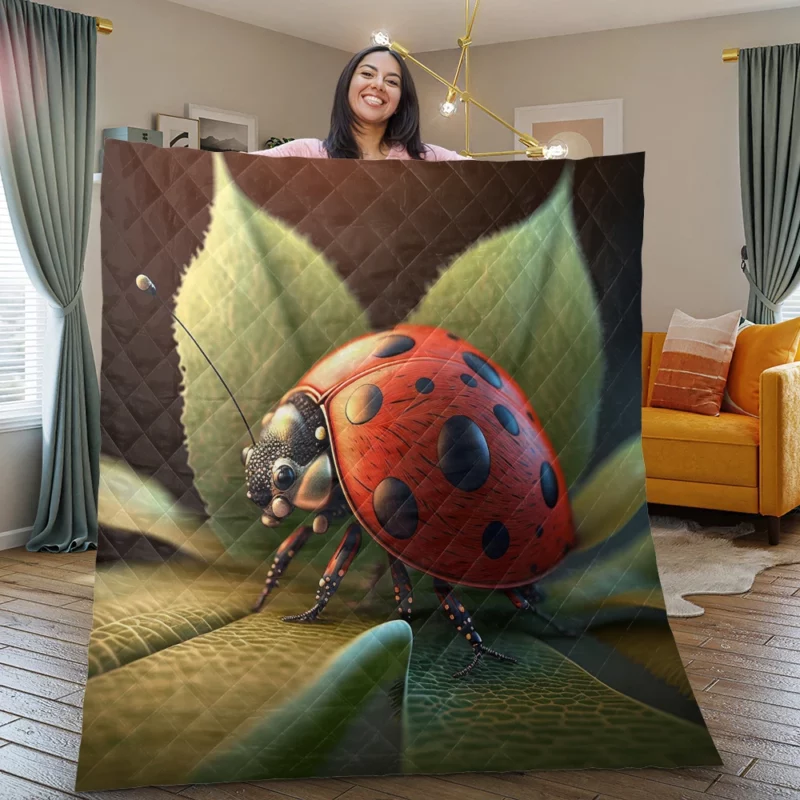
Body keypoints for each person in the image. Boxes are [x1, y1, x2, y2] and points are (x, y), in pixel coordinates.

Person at [253, 45, 468, 161]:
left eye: (392, 81)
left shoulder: (429, 158)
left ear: (401, 102)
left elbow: (494, 181)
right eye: (367, 74)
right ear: (347, 86)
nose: (378, 84)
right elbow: (229, 171)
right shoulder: (304, 153)